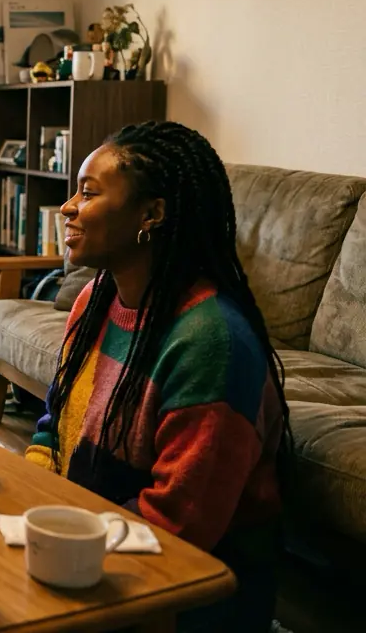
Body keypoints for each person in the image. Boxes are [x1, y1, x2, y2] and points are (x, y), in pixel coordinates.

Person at [25, 120, 289, 632]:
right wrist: (29, 499)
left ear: (152, 214)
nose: (68, 207)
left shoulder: (210, 340)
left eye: (89, 193)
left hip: (179, 601)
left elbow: (177, 525)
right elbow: (53, 423)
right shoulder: (95, 299)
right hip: (86, 551)